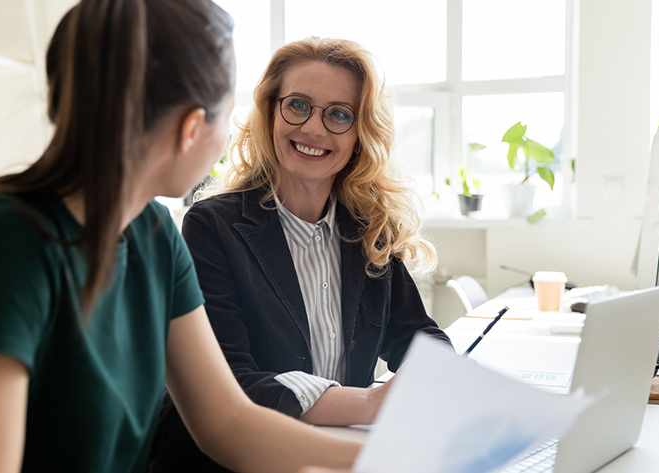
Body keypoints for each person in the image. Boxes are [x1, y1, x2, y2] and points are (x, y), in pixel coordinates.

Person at [0, 2, 361, 472]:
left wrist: (398, 458)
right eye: (227, 113)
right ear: (191, 128)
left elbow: (229, 422)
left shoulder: (154, 235)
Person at [148, 37, 453, 472]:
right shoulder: (212, 226)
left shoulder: (370, 229)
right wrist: (370, 404)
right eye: (297, 105)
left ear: (358, 135)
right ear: (271, 112)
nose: (313, 129)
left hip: (331, 453)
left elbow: (420, 335)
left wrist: (421, 380)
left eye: (339, 115)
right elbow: (233, 385)